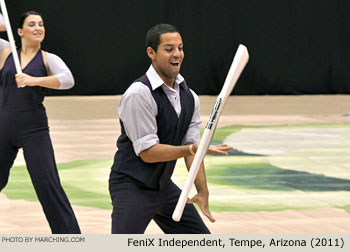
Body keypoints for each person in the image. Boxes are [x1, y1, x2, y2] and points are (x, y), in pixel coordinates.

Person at [109, 23, 233, 234]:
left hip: (164, 187)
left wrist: (202, 191)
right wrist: (192, 149)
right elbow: (148, 153)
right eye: (169, 49)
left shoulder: (189, 97)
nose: (177, 54)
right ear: (152, 53)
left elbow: (191, 148)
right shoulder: (139, 94)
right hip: (132, 186)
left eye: (180, 48)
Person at [0, 11, 80, 234]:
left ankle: (69, 238)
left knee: (47, 185)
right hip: (4, 125)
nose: (38, 28)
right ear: (20, 31)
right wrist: (3, 25)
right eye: (32, 24)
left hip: (34, 128)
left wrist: (34, 80)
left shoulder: (48, 58)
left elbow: (68, 79)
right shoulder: (6, 52)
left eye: (41, 24)